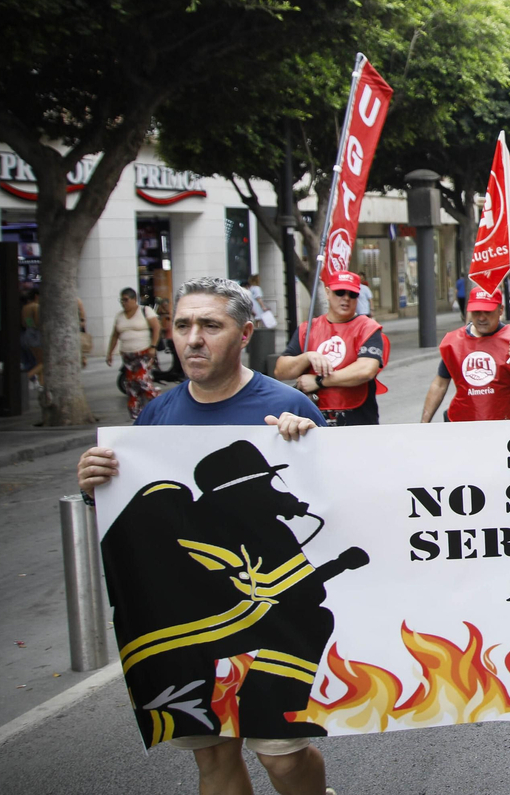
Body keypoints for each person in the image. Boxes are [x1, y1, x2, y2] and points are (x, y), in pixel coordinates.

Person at [75, 276, 333, 795]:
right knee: (213, 757)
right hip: (186, 622)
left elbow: (334, 500)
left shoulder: (289, 406)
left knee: (280, 756)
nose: (193, 337)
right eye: (183, 325)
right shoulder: (156, 414)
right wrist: (94, 484)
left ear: (244, 334)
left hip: (277, 619)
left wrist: (306, 445)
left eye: (210, 325)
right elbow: (132, 519)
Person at [274, 270, 388, 426]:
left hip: (357, 419)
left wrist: (319, 381)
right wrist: (307, 357)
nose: (346, 298)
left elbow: (366, 370)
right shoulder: (307, 329)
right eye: (340, 292)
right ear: (328, 292)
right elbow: (281, 371)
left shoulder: (368, 328)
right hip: (312, 417)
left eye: (352, 294)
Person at [421, 286, 510, 421]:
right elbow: (440, 383)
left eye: (487, 312)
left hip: (505, 423)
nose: (481, 318)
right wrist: (424, 423)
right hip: (461, 423)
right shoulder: (454, 342)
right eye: (476, 312)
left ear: (500, 310)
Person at [107, 286, 161, 421]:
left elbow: (156, 327)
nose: (123, 303)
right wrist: (110, 353)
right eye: (121, 300)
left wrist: (153, 346)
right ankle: (136, 414)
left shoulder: (145, 311)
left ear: (133, 299)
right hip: (127, 355)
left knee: (142, 380)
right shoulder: (120, 316)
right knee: (131, 386)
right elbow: (115, 335)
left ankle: (160, 402)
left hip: (143, 352)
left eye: (126, 300)